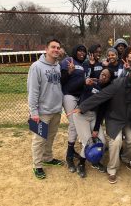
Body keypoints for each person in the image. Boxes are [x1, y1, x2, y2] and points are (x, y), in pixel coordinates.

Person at [69, 64, 131, 184]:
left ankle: (125, 158)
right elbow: (102, 95)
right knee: (116, 142)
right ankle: (112, 169)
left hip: (130, 120)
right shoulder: (118, 83)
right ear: (129, 73)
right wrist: (82, 107)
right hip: (115, 118)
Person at [27, 39, 64, 179]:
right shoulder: (37, 67)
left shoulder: (58, 66)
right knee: (39, 139)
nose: (56, 50)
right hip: (42, 112)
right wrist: (33, 112)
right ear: (46, 49)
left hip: (55, 110)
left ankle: (48, 158)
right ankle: (37, 165)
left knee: (50, 136)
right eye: (53, 47)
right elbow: (33, 91)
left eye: (58, 48)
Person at [73, 68, 115, 178]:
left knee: (102, 141)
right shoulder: (91, 83)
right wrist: (85, 83)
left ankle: (95, 161)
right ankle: (81, 163)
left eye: (106, 76)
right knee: (88, 142)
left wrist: (96, 129)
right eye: (102, 74)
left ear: (109, 79)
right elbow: (76, 89)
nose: (103, 76)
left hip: (94, 117)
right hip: (81, 116)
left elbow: (101, 112)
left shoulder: (107, 92)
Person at [60, 44, 90, 173]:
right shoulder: (68, 61)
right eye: (79, 51)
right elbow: (61, 80)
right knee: (73, 124)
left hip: (81, 97)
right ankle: (69, 156)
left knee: (78, 124)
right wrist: (69, 72)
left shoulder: (85, 64)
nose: (82, 53)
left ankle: (72, 151)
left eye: (84, 51)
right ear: (75, 51)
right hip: (69, 96)